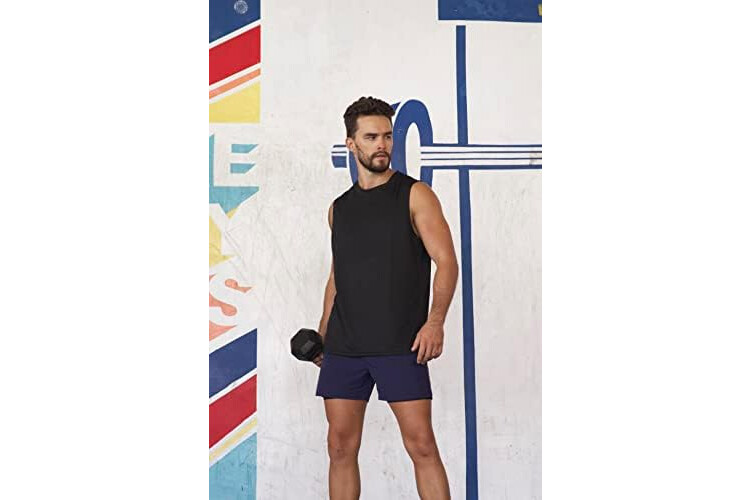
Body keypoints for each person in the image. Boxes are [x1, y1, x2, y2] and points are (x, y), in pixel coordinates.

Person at [313, 96, 459, 500]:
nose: (382, 144)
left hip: (400, 343)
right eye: (371, 137)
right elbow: (337, 276)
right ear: (351, 143)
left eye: (387, 136)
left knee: (422, 446)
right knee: (339, 447)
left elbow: (447, 262)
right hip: (346, 346)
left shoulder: (415, 195)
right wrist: (324, 333)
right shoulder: (339, 209)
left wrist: (435, 322)